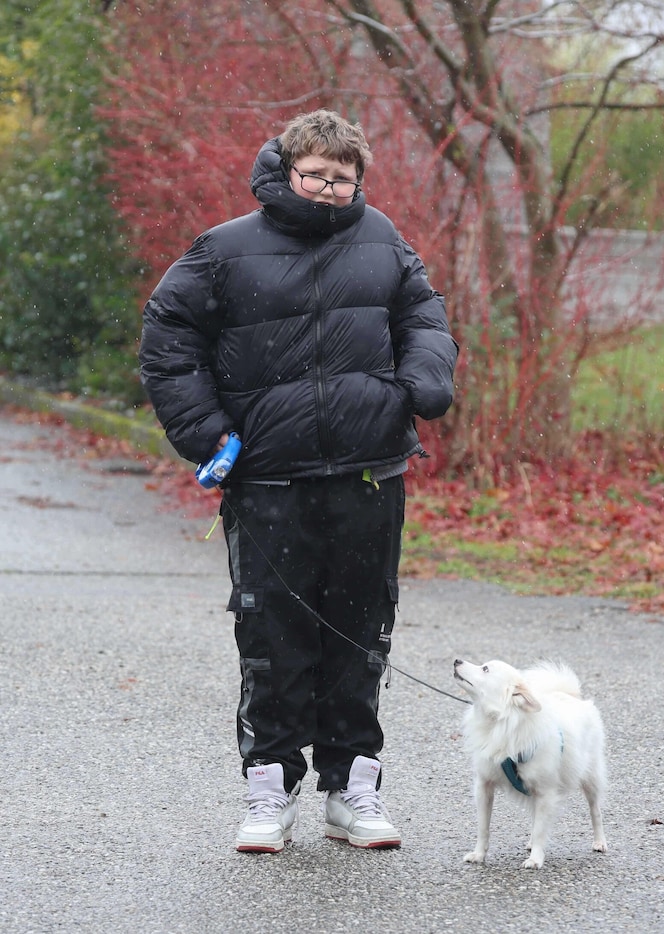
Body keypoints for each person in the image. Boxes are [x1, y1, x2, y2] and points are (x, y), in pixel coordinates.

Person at [139, 109, 458, 853]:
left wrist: (420, 383)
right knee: (272, 640)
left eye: (340, 179)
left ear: (357, 182)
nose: (324, 190)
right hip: (269, 482)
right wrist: (209, 434)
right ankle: (269, 792)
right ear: (286, 171)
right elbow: (168, 335)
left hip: (368, 473)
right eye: (313, 174)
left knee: (360, 635)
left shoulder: (382, 240)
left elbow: (426, 316)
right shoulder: (224, 250)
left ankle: (354, 790)